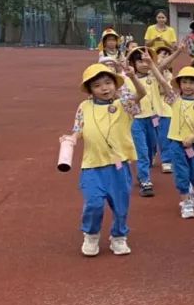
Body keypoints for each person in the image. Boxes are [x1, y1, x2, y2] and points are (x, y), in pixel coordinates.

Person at [60, 62, 146, 256]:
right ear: (90, 89)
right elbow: (78, 129)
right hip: (92, 165)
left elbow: (141, 95)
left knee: (121, 205)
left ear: (115, 84)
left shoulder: (123, 104)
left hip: (118, 166)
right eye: (97, 85)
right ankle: (91, 235)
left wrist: (132, 76)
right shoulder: (84, 106)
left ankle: (119, 237)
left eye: (108, 83)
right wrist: (72, 138)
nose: (104, 88)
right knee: (93, 203)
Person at [147, 63, 194, 219]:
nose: (188, 86)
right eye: (184, 82)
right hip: (176, 144)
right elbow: (162, 81)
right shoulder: (174, 99)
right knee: (182, 174)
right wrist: (150, 64)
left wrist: (193, 137)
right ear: (180, 84)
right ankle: (186, 203)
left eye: (191, 82)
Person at [127, 46, 161, 198]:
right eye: (139, 61)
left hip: (152, 118)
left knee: (152, 147)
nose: (144, 64)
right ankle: (145, 180)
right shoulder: (128, 80)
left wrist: (152, 64)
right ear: (133, 64)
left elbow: (161, 77)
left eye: (146, 61)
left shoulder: (152, 77)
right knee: (142, 151)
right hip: (136, 120)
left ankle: (143, 171)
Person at [149, 40, 184, 172]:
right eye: (162, 54)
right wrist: (178, 52)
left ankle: (166, 160)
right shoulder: (153, 71)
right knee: (152, 137)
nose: (165, 57)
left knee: (165, 135)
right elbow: (161, 65)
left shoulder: (170, 74)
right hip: (152, 109)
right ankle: (151, 154)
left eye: (167, 54)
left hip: (166, 108)